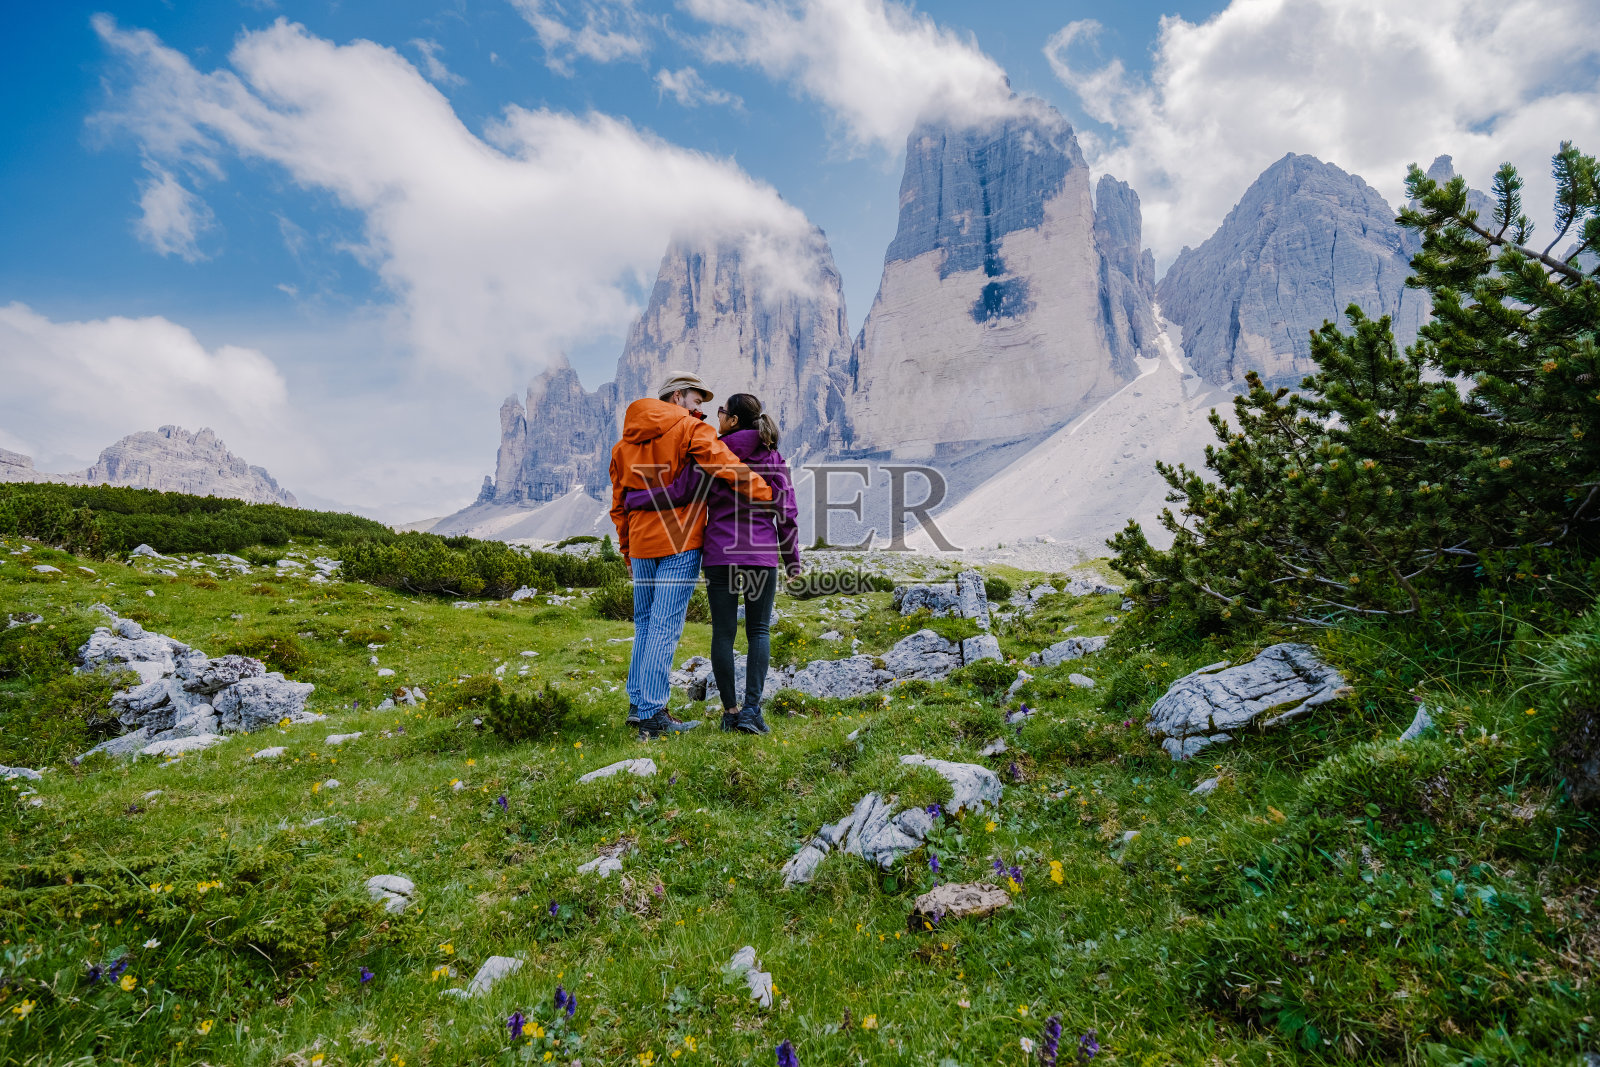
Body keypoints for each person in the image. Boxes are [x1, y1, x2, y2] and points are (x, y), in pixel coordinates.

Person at [625, 392, 800, 735]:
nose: (715, 415)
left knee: (723, 633)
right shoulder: (773, 457)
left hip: (720, 555)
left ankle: (730, 712)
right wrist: (793, 562)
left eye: (721, 411)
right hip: (761, 557)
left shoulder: (711, 451)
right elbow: (787, 513)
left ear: (733, 420)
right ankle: (752, 711)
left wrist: (636, 497)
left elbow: (679, 492)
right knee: (758, 632)